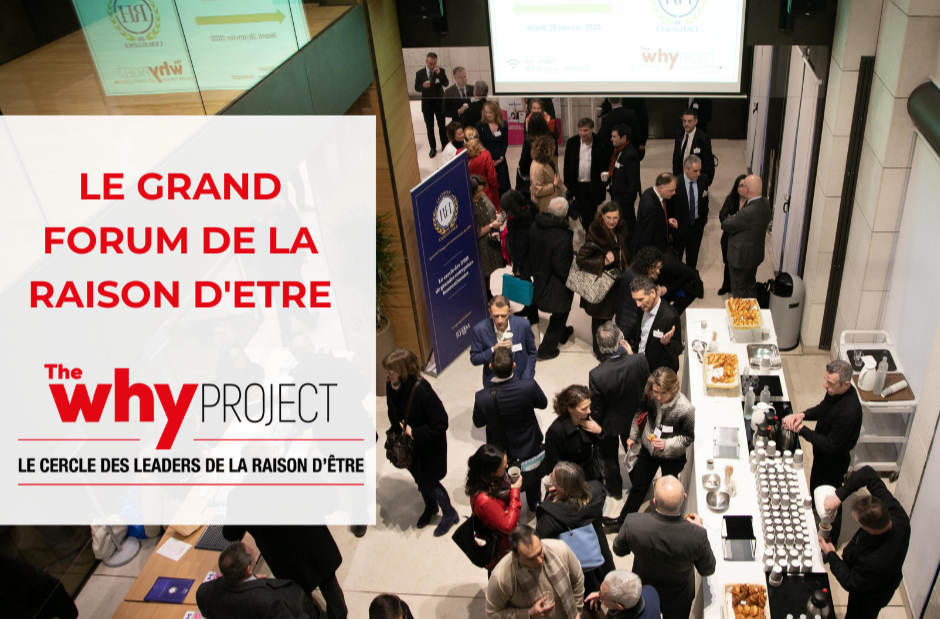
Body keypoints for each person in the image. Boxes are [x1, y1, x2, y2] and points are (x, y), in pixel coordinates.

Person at [782, 359, 862, 545]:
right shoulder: (835, 392)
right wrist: (803, 415)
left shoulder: (848, 413)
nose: (825, 386)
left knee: (830, 501)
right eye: (826, 380)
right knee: (815, 490)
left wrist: (801, 430)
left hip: (833, 463)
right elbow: (823, 409)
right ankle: (814, 520)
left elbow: (830, 445)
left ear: (846, 384)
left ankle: (831, 538)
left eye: (830, 383)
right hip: (822, 458)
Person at [611, 476, 716, 619]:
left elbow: (618, 550)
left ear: (654, 502)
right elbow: (708, 569)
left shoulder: (633, 523)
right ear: (684, 497)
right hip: (678, 598)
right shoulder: (697, 535)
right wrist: (699, 528)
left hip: (644, 590)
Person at [383, 348, 459, 536]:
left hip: (428, 447)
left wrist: (413, 432)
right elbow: (393, 411)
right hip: (409, 448)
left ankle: (449, 513)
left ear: (402, 370)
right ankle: (431, 506)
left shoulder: (422, 389)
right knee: (420, 480)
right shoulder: (391, 384)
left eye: (391, 371)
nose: (387, 375)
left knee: (430, 482)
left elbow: (441, 422)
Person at [817, 466, 910, 619]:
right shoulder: (898, 515)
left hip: (870, 596)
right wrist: (839, 497)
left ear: (871, 530)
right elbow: (868, 473)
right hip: (879, 574)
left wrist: (831, 554)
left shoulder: (873, 560)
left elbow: (850, 581)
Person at [607, 368, 694, 526]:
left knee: (667, 494)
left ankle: (666, 525)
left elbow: (688, 437)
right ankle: (622, 521)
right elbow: (640, 412)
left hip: (672, 457)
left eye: (663, 393)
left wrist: (667, 444)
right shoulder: (651, 395)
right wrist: (633, 436)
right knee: (638, 487)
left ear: (674, 389)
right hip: (649, 450)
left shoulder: (686, 409)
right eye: (656, 392)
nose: (658, 397)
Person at [473, 346, 548, 511]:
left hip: (502, 454)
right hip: (529, 446)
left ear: (490, 367)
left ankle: (511, 511)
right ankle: (534, 505)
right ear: (514, 365)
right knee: (533, 480)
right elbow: (543, 403)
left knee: (504, 487)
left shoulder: (482, 397)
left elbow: (478, 422)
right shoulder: (529, 386)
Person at [221, 526, 346, 619]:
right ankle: (339, 615)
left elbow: (230, 533)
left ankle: (311, 614)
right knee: (329, 584)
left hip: (284, 557)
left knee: (299, 594)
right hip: (313, 540)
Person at [536, 463, 614, 603]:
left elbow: (541, 537)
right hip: (598, 550)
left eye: (553, 479)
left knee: (585, 593)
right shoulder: (597, 491)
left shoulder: (551, 516)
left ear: (563, 488)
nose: (549, 478)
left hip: (575, 560)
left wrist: (552, 497)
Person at [589, 321, 650, 500]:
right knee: (634, 454)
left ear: (600, 346)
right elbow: (648, 385)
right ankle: (639, 487)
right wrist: (631, 355)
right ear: (620, 340)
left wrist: (597, 429)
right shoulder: (639, 360)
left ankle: (615, 491)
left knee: (610, 458)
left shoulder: (596, 374)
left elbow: (597, 408)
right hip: (633, 420)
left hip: (609, 424)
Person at [196, 542, 321, 619]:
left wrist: (253, 580)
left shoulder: (204, 592)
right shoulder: (268, 600)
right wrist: (304, 615)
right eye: (253, 554)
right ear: (248, 570)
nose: (254, 553)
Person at [485, 525, 585, 619]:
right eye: (531, 558)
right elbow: (493, 613)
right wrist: (529, 614)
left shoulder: (560, 550)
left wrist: (577, 612)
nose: (540, 561)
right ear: (516, 556)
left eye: (540, 552)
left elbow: (578, 579)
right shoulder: (501, 578)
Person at [577, 201, 630, 360]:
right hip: (601, 286)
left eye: (615, 218)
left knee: (608, 319)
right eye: (608, 217)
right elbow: (581, 259)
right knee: (600, 320)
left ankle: (608, 346)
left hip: (614, 285)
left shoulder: (619, 230)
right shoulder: (596, 233)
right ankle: (600, 351)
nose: (611, 221)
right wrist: (603, 261)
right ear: (602, 216)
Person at [529, 197, 575, 360]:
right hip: (554, 282)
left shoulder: (535, 225)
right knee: (561, 311)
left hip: (540, 275)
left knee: (560, 310)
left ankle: (563, 333)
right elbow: (561, 267)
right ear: (565, 213)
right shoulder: (562, 235)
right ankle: (546, 349)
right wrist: (572, 280)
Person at [466, 444, 523, 572]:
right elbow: (509, 526)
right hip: (500, 547)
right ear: (491, 472)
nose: (507, 467)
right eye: (503, 466)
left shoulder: (485, 481)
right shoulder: (484, 500)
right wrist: (515, 491)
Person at [720, 174, 772, 299]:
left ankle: (741, 311)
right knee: (750, 284)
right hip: (755, 254)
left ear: (747, 189)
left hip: (741, 258)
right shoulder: (765, 203)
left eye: (744, 186)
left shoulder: (748, 212)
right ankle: (752, 308)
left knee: (738, 288)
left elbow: (725, 224)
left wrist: (733, 218)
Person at [470, 295, 538, 387]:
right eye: (496, 316)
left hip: (521, 379)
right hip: (494, 383)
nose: (500, 320)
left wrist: (528, 376)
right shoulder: (479, 330)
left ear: (509, 311)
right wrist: (493, 350)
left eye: (503, 315)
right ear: (490, 312)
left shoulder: (523, 325)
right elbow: (474, 358)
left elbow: (532, 352)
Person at [544, 385, 603, 481]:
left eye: (589, 406)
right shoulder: (555, 431)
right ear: (570, 409)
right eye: (584, 409)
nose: (589, 411)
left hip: (590, 473)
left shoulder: (588, 418)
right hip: (570, 480)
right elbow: (552, 465)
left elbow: (601, 444)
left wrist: (599, 431)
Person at [630, 276, 683, 373]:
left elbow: (678, 348)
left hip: (657, 372)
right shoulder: (642, 307)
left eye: (641, 299)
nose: (637, 304)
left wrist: (668, 343)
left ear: (653, 293)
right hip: (641, 363)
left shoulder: (670, 316)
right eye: (635, 300)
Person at [616, 247, 666, 347]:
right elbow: (646, 301)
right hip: (630, 323)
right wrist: (656, 294)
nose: (658, 271)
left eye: (659, 267)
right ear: (647, 265)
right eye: (655, 267)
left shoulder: (631, 270)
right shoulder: (639, 280)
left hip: (623, 317)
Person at [563, 117, 608, 229]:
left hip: (594, 185)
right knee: (585, 213)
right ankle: (590, 232)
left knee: (593, 210)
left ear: (592, 129)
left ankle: (590, 231)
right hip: (579, 186)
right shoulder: (572, 143)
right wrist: (567, 185)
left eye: (585, 130)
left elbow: (605, 164)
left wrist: (605, 182)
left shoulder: (601, 143)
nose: (582, 133)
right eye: (580, 130)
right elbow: (567, 165)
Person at [502, 190, 539, 324]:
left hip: (526, 259)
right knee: (526, 283)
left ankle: (533, 315)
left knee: (527, 285)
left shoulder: (522, 223)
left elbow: (520, 247)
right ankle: (527, 308)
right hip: (527, 256)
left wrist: (516, 267)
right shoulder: (526, 212)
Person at [670, 154, 709, 269]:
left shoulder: (703, 179)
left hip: (696, 227)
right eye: (695, 171)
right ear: (685, 169)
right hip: (679, 228)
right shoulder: (676, 182)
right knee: (676, 258)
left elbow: (705, 200)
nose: (698, 174)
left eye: (699, 170)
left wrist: (703, 219)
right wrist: (671, 230)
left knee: (693, 258)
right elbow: (670, 207)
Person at [470, 174, 506, 298]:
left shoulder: (483, 196)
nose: (482, 193)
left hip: (491, 241)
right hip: (481, 247)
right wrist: (491, 225)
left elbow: (491, 209)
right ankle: (485, 296)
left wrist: (497, 215)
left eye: (482, 190)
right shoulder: (469, 206)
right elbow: (475, 232)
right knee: (484, 274)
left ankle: (488, 293)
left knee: (490, 272)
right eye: (479, 191)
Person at [607, 124, 641, 234]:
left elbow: (634, 182)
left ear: (624, 138)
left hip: (624, 201)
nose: (611, 139)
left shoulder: (630, 155)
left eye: (614, 137)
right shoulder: (618, 151)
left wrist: (625, 200)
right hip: (617, 197)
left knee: (628, 227)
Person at [413, 52, 448, 158]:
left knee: (442, 126)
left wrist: (439, 74)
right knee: (429, 127)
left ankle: (445, 146)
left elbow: (446, 83)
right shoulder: (420, 73)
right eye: (431, 64)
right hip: (427, 104)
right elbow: (416, 87)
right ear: (426, 61)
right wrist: (423, 86)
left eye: (434, 63)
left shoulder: (440, 71)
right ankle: (433, 148)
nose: (433, 66)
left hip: (439, 103)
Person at [584, 571, 661, 619]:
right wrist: (601, 594)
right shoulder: (650, 590)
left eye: (603, 598)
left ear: (619, 607)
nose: (599, 597)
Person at [632, 174, 677, 255]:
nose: (674, 193)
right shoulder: (650, 207)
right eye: (671, 190)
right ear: (661, 188)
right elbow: (646, 238)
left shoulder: (650, 191)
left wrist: (666, 221)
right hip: (654, 252)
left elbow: (655, 220)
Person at [718, 174, 748, 295]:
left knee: (741, 265)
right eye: (740, 185)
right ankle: (726, 285)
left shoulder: (751, 204)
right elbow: (722, 216)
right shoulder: (731, 199)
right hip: (728, 237)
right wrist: (733, 225)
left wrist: (732, 220)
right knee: (727, 262)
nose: (743, 188)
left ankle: (739, 287)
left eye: (745, 186)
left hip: (743, 240)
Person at [671, 109, 714, 186]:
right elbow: (676, 156)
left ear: (696, 121)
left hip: (696, 178)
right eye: (684, 121)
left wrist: (697, 177)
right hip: (681, 176)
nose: (686, 124)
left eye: (689, 121)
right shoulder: (679, 134)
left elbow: (707, 162)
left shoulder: (703, 138)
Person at [478, 100, 511, 197]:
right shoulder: (480, 125)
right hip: (486, 163)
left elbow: (505, 143)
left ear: (496, 112)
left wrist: (501, 157)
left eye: (490, 112)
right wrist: (489, 160)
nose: (488, 115)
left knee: (503, 189)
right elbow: (479, 144)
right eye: (486, 112)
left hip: (500, 162)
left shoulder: (503, 124)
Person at [465, 127, 501, 209]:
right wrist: (495, 188)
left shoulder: (459, 153)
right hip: (484, 191)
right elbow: (492, 177)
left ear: (465, 140)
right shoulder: (485, 154)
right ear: (478, 137)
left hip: (468, 192)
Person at [519, 113, 555, 190]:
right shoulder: (550, 140)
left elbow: (523, 163)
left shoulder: (528, 142)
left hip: (533, 176)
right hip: (548, 174)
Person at [530, 134, 565, 213]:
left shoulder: (550, 160)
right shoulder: (537, 168)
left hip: (554, 197)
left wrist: (561, 184)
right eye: (552, 147)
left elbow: (555, 175)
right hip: (545, 203)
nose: (555, 148)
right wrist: (554, 185)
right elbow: (538, 190)